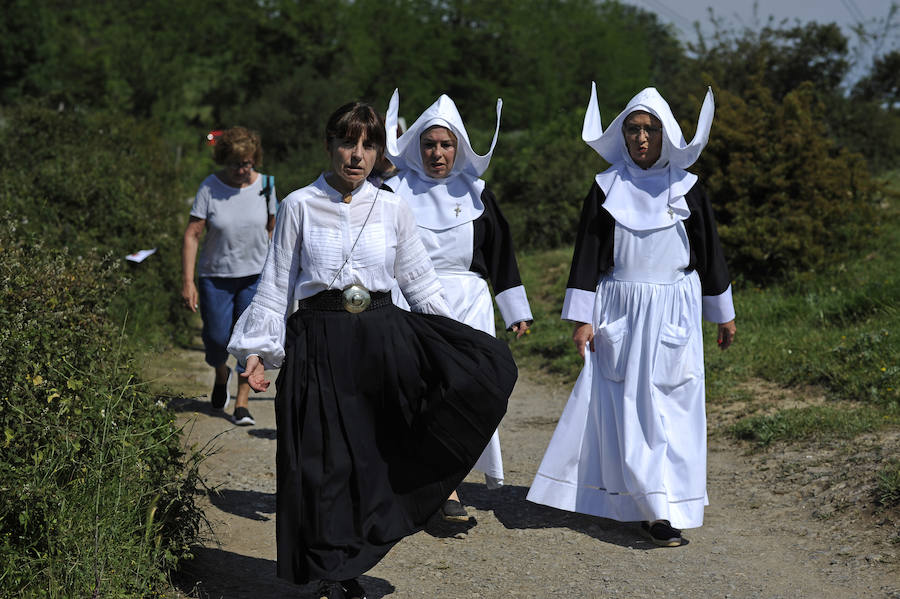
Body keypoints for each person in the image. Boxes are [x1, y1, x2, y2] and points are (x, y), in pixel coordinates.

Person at [227, 101, 517, 599]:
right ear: (329, 145)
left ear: (380, 151)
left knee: (367, 459)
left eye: (368, 145)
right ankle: (326, 568)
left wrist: (458, 349)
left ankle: (347, 567)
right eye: (347, 142)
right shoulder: (298, 205)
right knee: (321, 463)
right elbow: (275, 287)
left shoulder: (392, 207)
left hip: (381, 343)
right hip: (317, 343)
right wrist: (257, 355)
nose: (357, 155)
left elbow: (421, 286)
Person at [527, 83, 736, 547]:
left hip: (674, 308)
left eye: (651, 130)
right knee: (628, 409)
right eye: (633, 130)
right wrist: (583, 318)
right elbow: (588, 253)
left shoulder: (689, 190)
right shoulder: (605, 188)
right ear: (622, 136)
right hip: (620, 305)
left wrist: (723, 314)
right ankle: (645, 503)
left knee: (673, 407)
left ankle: (668, 503)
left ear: (668, 136)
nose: (641, 139)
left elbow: (710, 254)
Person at [383, 90, 533, 521]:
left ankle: (447, 481)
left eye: (446, 144)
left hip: (469, 303)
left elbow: (501, 254)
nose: (437, 153)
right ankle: (430, 489)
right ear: (416, 147)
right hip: (409, 301)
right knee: (419, 392)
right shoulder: (393, 191)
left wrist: (516, 310)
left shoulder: (478, 193)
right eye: (429, 144)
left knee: (465, 395)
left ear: (460, 148)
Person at [181, 126, 277, 426]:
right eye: (235, 163)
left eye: (247, 163)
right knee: (216, 338)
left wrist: (278, 277)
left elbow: (273, 231)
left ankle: (242, 403)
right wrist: (188, 281)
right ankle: (220, 373)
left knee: (248, 343)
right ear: (225, 159)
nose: (241, 169)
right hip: (216, 276)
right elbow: (193, 234)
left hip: (254, 276)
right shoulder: (210, 187)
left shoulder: (267, 185)